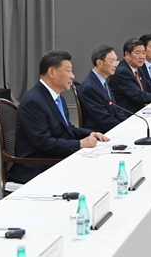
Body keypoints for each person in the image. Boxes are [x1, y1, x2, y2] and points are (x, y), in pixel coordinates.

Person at [8, 51, 109, 184]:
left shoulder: (56, 97)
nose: (72, 76)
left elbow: (66, 129)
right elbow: (43, 143)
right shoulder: (34, 101)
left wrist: (90, 133)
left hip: (53, 157)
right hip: (37, 166)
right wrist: (79, 144)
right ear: (51, 72)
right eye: (68, 71)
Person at [78, 45, 127, 133]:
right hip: (100, 133)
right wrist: (124, 129)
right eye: (112, 62)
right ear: (100, 63)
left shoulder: (102, 81)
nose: (115, 65)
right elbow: (104, 119)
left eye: (116, 61)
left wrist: (128, 123)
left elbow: (116, 110)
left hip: (110, 128)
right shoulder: (89, 87)